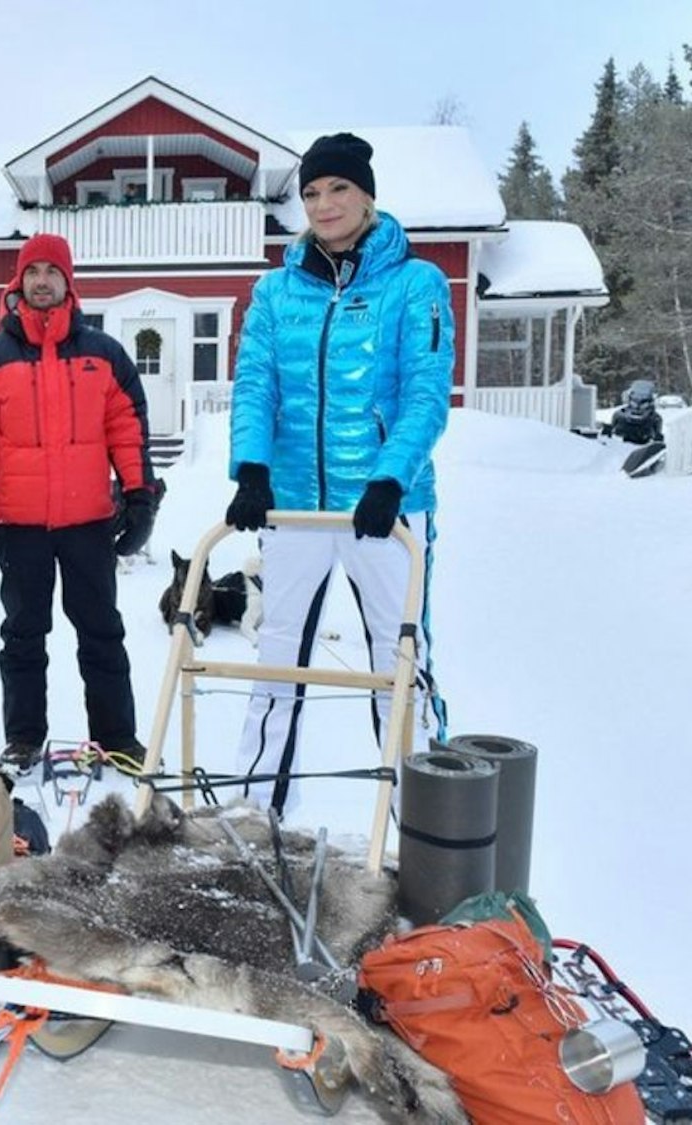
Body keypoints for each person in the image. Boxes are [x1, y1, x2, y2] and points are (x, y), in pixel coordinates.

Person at [224, 133, 453, 819]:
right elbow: (255, 384)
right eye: (313, 193)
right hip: (293, 506)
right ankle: (254, 809)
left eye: (338, 190)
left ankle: (427, 817)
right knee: (276, 659)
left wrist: (389, 477)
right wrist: (252, 469)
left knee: (399, 658)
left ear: (368, 196)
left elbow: (425, 392)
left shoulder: (416, 284)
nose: (323, 205)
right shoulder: (275, 291)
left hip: (385, 509)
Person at [0, 232, 156, 774]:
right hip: (19, 525)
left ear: (68, 282)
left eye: (52, 272)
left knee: (102, 632)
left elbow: (127, 430)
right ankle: (23, 739)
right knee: (22, 635)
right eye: (32, 272)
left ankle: (116, 738)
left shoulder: (103, 354)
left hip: (89, 522)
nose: (42, 281)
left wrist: (138, 498)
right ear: (19, 283)